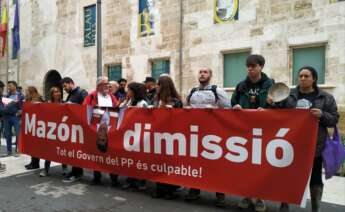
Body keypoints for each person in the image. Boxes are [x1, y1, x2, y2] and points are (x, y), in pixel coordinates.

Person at [269, 66, 339, 212]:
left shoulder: (325, 97)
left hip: (315, 145)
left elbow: (334, 119)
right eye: (300, 76)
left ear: (314, 78)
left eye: (306, 76)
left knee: (315, 178)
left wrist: (322, 115)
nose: (302, 78)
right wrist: (272, 103)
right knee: (286, 175)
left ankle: (316, 207)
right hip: (291, 143)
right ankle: (284, 204)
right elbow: (278, 114)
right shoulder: (288, 95)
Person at [231, 54, 274, 212]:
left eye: (253, 66)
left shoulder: (271, 84)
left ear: (261, 66)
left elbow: (280, 105)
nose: (250, 69)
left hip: (265, 132)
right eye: (248, 66)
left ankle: (260, 198)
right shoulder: (241, 85)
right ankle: (248, 196)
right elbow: (233, 102)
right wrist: (235, 107)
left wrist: (268, 109)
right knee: (246, 166)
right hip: (245, 131)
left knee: (260, 166)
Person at [185, 68, 230, 207]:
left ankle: (220, 194)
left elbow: (228, 109)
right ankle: (194, 189)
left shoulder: (217, 90)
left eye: (205, 72)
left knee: (215, 164)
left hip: (213, 134)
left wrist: (215, 111)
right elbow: (185, 107)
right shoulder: (192, 91)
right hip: (195, 134)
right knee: (195, 162)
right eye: (200, 72)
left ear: (210, 75)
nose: (202, 74)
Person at [83, 76, 119, 186]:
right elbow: (84, 108)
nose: (108, 85)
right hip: (96, 129)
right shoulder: (92, 96)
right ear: (99, 86)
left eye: (108, 83)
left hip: (110, 129)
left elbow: (117, 107)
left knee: (112, 154)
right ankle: (97, 177)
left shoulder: (111, 96)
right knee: (96, 154)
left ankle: (114, 178)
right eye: (105, 83)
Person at [151, 75, 183, 199]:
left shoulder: (175, 101)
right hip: (158, 134)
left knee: (169, 163)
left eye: (158, 85)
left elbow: (180, 117)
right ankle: (160, 189)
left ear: (163, 86)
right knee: (159, 162)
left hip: (171, 136)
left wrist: (170, 111)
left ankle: (170, 190)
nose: (156, 87)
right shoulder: (156, 99)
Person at [120, 82, 147, 190]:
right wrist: (125, 101)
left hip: (139, 133)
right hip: (129, 133)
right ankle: (130, 179)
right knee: (130, 158)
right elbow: (121, 109)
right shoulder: (130, 101)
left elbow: (144, 118)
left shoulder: (142, 103)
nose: (127, 92)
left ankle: (141, 181)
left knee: (139, 158)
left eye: (129, 90)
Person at [61, 77, 88, 183]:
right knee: (74, 151)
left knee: (78, 151)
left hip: (79, 128)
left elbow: (87, 108)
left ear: (71, 83)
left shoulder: (82, 93)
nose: (64, 89)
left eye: (65, 86)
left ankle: (78, 173)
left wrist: (74, 106)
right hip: (72, 127)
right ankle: (75, 171)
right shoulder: (71, 94)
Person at [40, 87, 68, 177]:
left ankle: (64, 168)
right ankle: (46, 170)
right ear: (52, 94)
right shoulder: (48, 103)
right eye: (56, 92)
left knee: (62, 150)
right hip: (51, 131)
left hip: (61, 130)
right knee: (49, 151)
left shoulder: (64, 103)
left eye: (59, 91)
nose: (58, 93)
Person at [23, 86, 44, 170]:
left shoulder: (38, 99)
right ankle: (33, 162)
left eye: (27, 91)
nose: (26, 93)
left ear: (31, 91)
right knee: (31, 145)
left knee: (35, 145)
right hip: (30, 124)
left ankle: (36, 163)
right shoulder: (28, 99)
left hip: (36, 124)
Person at [3, 81, 24, 156]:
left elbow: (23, 107)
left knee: (18, 134)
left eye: (10, 85)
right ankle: (9, 151)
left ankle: (18, 150)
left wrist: (21, 112)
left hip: (15, 117)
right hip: (6, 117)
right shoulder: (6, 96)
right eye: (8, 86)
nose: (8, 87)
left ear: (15, 86)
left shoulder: (20, 96)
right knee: (8, 134)